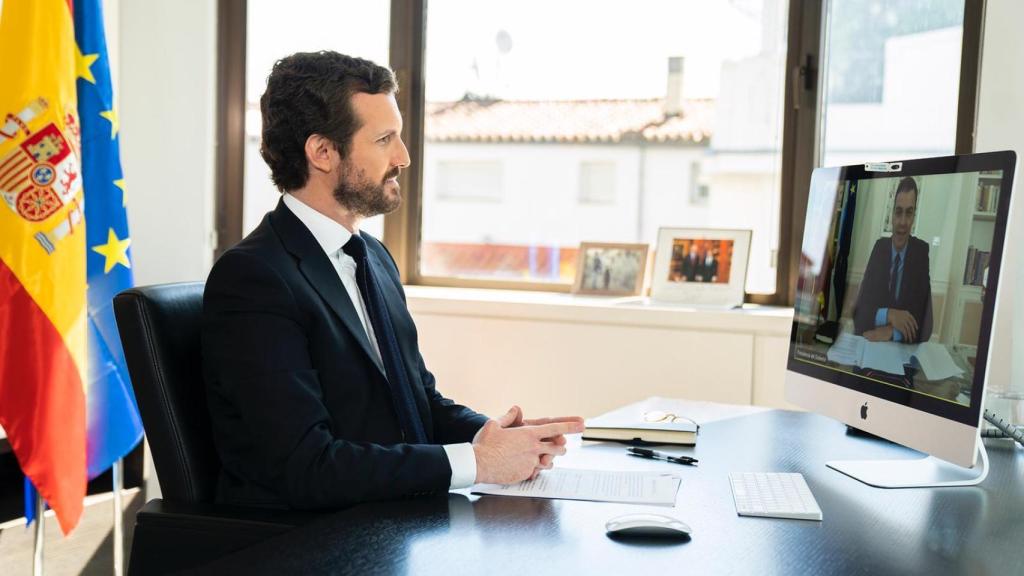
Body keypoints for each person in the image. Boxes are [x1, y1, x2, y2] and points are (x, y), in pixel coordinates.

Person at [202, 51, 583, 510]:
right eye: (385, 139)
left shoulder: (373, 258)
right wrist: (478, 464)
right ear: (322, 152)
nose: (403, 157)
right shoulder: (254, 278)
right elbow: (304, 465)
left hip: (390, 516)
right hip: (307, 540)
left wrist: (491, 436)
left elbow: (416, 399)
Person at [852, 176, 932, 343]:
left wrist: (891, 332)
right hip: (872, 350)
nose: (902, 222)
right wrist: (890, 314)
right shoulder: (879, 248)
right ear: (892, 213)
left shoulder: (921, 252)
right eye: (898, 212)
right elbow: (860, 314)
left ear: (914, 216)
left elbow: (924, 323)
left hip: (900, 354)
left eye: (909, 213)